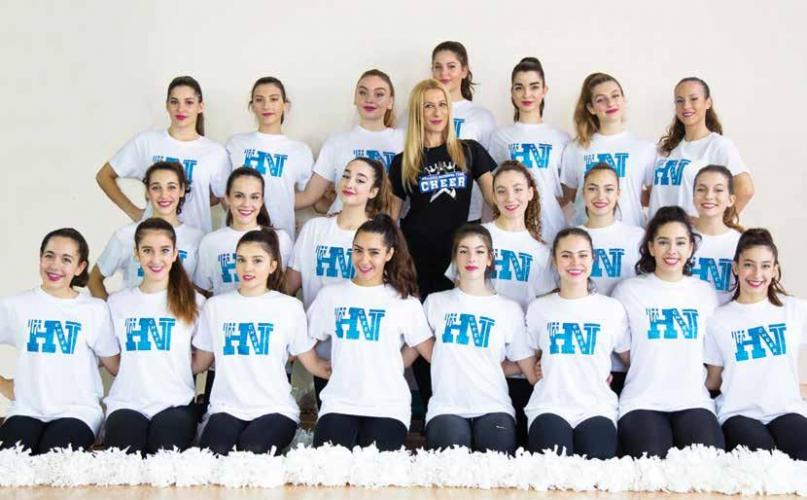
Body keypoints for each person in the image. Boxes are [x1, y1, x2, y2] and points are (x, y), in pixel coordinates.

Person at [192, 229, 330, 455]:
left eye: (257, 261)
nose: (248, 268)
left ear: (272, 266)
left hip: (275, 409)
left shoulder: (289, 307)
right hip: (227, 407)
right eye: (241, 260)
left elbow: (313, 363)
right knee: (215, 452)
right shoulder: (216, 307)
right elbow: (200, 362)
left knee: (252, 449)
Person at [307, 215, 433, 451]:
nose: (364, 260)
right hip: (338, 403)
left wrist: (398, 363)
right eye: (358, 250)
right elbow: (302, 342)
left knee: (373, 467)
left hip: (388, 406)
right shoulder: (330, 296)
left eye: (374, 252)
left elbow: (425, 347)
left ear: (389, 254)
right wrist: (317, 366)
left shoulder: (405, 302)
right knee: (328, 465)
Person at [612, 206, 725, 458]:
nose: (672, 250)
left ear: (691, 248)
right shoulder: (628, 290)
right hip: (641, 401)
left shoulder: (704, 292)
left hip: (693, 400)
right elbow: (623, 349)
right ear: (651, 247)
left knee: (707, 464)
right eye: (663, 242)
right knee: (651, 465)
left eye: (680, 242)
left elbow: (713, 349)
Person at [0, 229, 119, 454]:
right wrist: (4, 384)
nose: (55, 265)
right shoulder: (15, 305)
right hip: (26, 410)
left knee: (52, 459)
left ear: (80, 267)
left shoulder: (94, 310)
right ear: (40, 258)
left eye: (66, 259)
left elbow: (115, 365)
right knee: (12, 461)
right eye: (49, 256)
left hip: (78, 412)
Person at [286, 157, 389, 406]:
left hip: (365, 350)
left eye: (360, 180)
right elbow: (289, 285)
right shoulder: (315, 229)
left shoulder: (379, 234)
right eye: (346, 175)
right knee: (331, 418)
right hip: (321, 350)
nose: (349, 183)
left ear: (373, 191)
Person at [518, 228, 628, 459]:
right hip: (549, 405)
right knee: (553, 465)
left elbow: (629, 357)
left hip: (597, 407)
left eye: (583, 255)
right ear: (555, 260)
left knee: (595, 465)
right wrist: (543, 366)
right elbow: (532, 354)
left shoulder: (612, 309)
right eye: (566, 255)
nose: (575, 263)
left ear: (593, 259)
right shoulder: (539, 308)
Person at [424, 225, 534, 454]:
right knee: (450, 465)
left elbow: (529, 369)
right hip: (446, 407)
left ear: (490, 258)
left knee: (494, 467)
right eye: (463, 251)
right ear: (455, 258)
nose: (471, 258)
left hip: (494, 406)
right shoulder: (435, 302)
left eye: (479, 251)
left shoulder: (508, 309)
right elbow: (416, 347)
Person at [103, 218, 205, 455]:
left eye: (164, 251)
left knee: (163, 456)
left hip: (175, 403)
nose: (156, 259)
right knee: (125, 458)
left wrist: (177, 368)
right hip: (126, 403)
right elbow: (112, 359)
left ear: (175, 254)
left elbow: (203, 357)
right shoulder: (117, 303)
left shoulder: (195, 302)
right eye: (147, 250)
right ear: (136, 254)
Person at [705, 228, 807, 461]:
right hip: (738, 413)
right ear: (736, 268)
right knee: (760, 460)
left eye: (765, 266)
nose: (757, 274)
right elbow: (714, 379)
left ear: (775, 270)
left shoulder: (794, 310)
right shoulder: (718, 319)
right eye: (749, 265)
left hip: (786, 410)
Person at [389, 79, 496, 299]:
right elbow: (391, 217)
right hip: (417, 253)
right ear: (418, 113)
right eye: (428, 106)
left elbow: (495, 200)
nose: (437, 112)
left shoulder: (470, 151)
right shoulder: (403, 161)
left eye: (442, 105)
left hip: (459, 254)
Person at [95, 76, 230, 233]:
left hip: (196, 241)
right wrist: (134, 213)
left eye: (189, 102)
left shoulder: (215, 152)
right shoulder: (146, 142)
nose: (180, 109)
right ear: (167, 105)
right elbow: (104, 176)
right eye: (174, 102)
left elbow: (225, 200)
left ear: (200, 107)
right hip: (152, 239)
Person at [89, 161, 204, 299]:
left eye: (171, 187)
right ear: (147, 192)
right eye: (156, 188)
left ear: (182, 190)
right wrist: (112, 310)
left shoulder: (198, 239)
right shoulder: (126, 235)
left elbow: (202, 290)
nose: (164, 195)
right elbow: (94, 280)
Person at [296, 69, 402, 214]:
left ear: (390, 102)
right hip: (342, 226)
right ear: (355, 98)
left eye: (379, 94)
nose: (370, 99)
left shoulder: (405, 140)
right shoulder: (337, 141)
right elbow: (309, 196)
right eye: (363, 92)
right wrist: (266, 207)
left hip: (384, 226)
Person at [578, 163, 644, 394]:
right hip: (586, 353)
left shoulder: (637, 238)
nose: (600, 196)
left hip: (627, 354)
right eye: (592, 188)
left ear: (618, 193)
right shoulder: (572, 237)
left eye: (608, 189)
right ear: (583, 192)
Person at [488, 57, 570, 243]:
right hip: (513, 229)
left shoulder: (561, 138)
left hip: (552, 228)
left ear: (544, 90)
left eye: (534, 87)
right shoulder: (500, 136)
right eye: (519, 87)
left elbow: (567, 189)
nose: (527, 94)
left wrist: (545, 203)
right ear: (512, 92)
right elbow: (493, 184)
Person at [649, 77, 754, 219]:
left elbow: (745, 189)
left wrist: (718, 224)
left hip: (691, 232)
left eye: (693, 99)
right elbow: (656, 193)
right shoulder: (666, 148)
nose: (686, 106)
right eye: (680, 101)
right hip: (657, 230)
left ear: (707, 103)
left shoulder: (718, 145)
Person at [560, 72, 655, 228]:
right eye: (600, 100)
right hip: (584, 237)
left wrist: (627, 193)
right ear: (591, 108)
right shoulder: (575, 149)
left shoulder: (645, 148)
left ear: (623, 100)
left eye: (615, 96)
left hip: (630, 235)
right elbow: (569, 195)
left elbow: (654, 196)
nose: (610, 103)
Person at [226, 76, 314, 239]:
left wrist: (282, 204)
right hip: (238, 235)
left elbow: (309, 195)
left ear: (285, 106)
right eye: (259, 100)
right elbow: (224, 192)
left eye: (273, 99)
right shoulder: (236, 143)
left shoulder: (300, 151)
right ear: (252, 106)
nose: (266, 106)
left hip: (279, 237)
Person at [194, 167, 292, 297]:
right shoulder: (210, 242)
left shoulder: (281, 239)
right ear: (227, 198)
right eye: (239, 196)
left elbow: (285, 291)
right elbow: (201, 292)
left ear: (261, 201)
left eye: (254, 197)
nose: (246, 204)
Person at [431, 41, 496, 222]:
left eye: (451, 66)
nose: (444, 73)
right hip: (425, 212)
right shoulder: (415, 112)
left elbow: (489, 172)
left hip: (468, 214)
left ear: (464, 71)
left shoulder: (481, 116)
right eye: (438, 67)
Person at [691, 165, 743, 305]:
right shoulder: (679, 240)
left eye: (718, 190)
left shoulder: (741, 242)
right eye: (701, 189)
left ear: (731, 200)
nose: (708, 196)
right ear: (693, 196)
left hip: (727, 317)